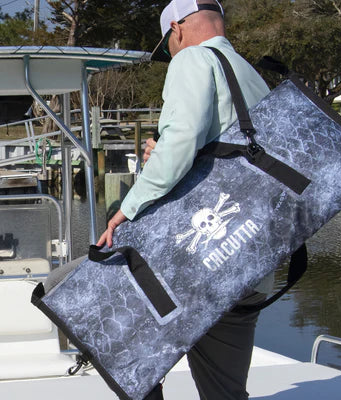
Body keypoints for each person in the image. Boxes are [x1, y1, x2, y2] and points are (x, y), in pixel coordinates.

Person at [97, 1, 273, 399]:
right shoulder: (249, 73)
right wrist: (165, 152)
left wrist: (125, 209)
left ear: (176, 29)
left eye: (167, 48)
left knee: (123, 350)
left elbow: (181, 143)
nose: (170, 56)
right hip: (252, 254)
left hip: (197, 265)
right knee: (224, 391)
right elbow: (224, 150)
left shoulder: (192, 58)